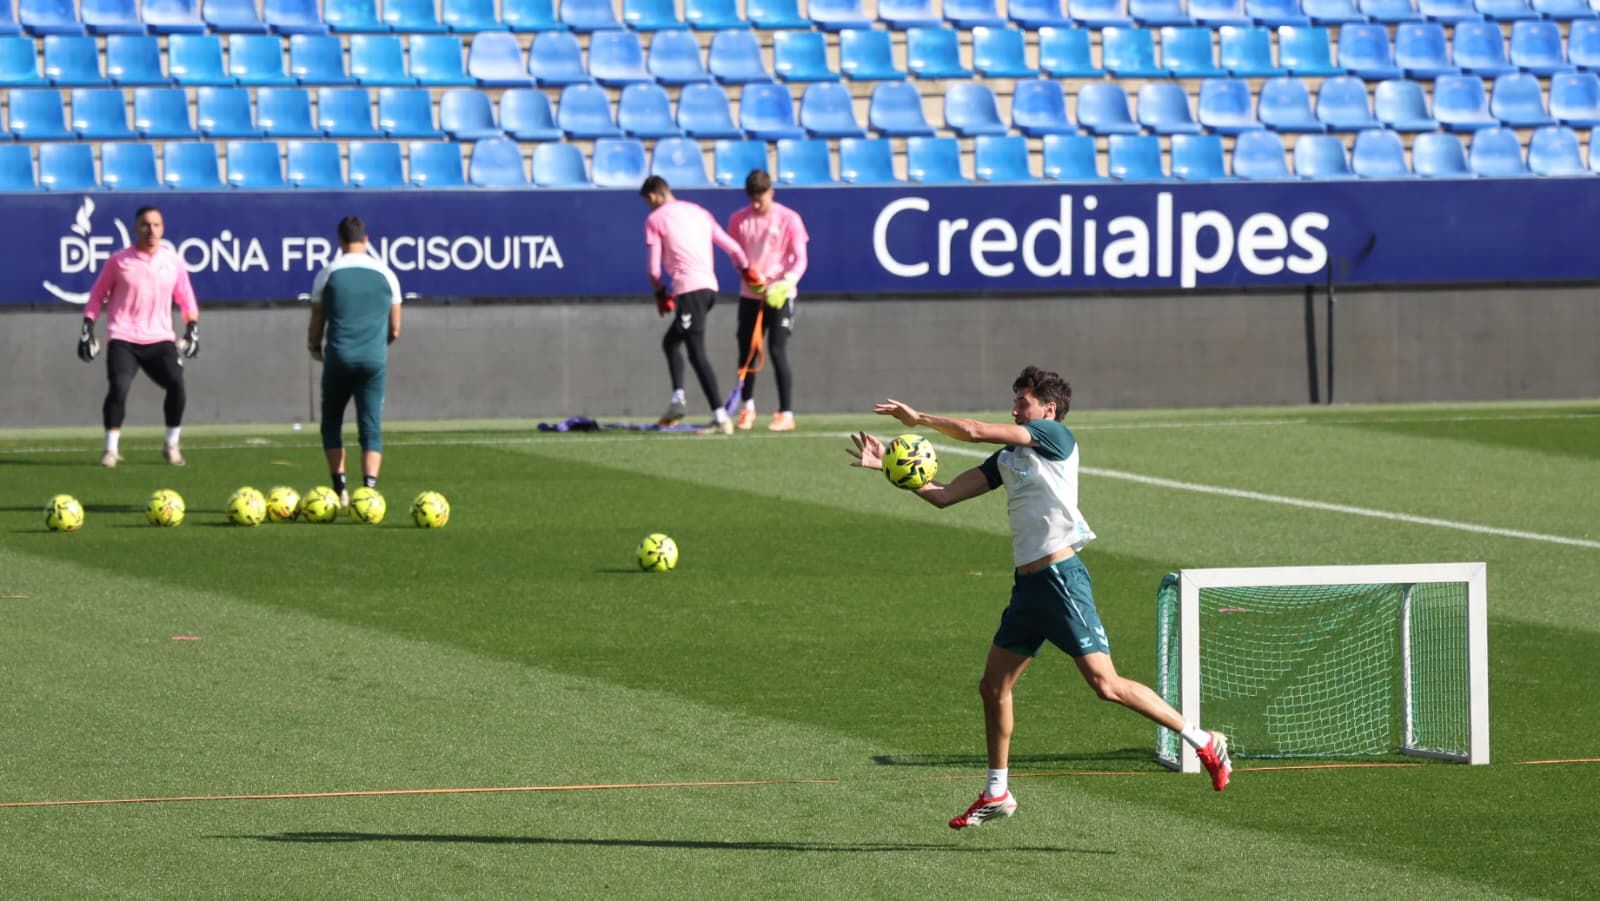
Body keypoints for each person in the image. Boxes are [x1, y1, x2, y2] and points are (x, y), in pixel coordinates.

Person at [847, 366, 1232, 830]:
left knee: (1105, 684)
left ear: (1048, 409)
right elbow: (945, 496)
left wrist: (920, 419)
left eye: (1022, 402)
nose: (1014, 409)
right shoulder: (1008, 458)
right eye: (1014, 401)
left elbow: (973, 430)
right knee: (993, 687)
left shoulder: (1054, 437)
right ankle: (997, 791)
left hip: (1061, 579)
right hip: (1028, 590)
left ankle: (1203, 739)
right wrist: (892, 471)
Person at [79, 205, 199, 468]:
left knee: (177, 385)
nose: (151, 230)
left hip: (160, 339)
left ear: (163, 229)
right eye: (145, 225)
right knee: (119, 387)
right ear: (136, 228)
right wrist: (88, 325)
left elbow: (186, 298)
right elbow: (97, 296)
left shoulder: (173, 262)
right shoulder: (119, 261)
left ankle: (171, 445)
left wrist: (192, 327)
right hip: (124, 337)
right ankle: (111, 450)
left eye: (156, 225)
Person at [640, 175, 761, 435]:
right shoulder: (699, 212)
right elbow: (732, 247)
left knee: (696, 351)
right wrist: (745, 269)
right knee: (671, 342)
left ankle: (720, 417)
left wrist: (660, 291)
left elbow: (653, 269)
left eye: (648, 202)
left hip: (689, 289)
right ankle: (678, 400)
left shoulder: (655, 219)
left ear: (653, 196)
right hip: (709, 288)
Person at [306, 216, 402, 507]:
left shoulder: (328, 273)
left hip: (339, 358)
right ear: (366, 239)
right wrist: (376, 346)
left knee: (332, 423)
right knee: (370, 427)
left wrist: (314, 348)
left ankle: (340, 490)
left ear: (340, 241)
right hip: (373, 360)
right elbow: (395, 329)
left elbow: (317, 321)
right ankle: (369, 492)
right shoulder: (387, 274)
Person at [726, 169, 808, 433]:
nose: (756, 203)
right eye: (752, 198)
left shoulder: (789, 218)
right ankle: (747, 407)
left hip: (780, 295)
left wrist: (786, 282)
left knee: (776, 350)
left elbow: (800, 258)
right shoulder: (738, 219)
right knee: (747, 351)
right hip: (750, 295)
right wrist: (747, 275)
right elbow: (737, 256)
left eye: (760, 197)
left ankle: (786, 413)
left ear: (771, 192)